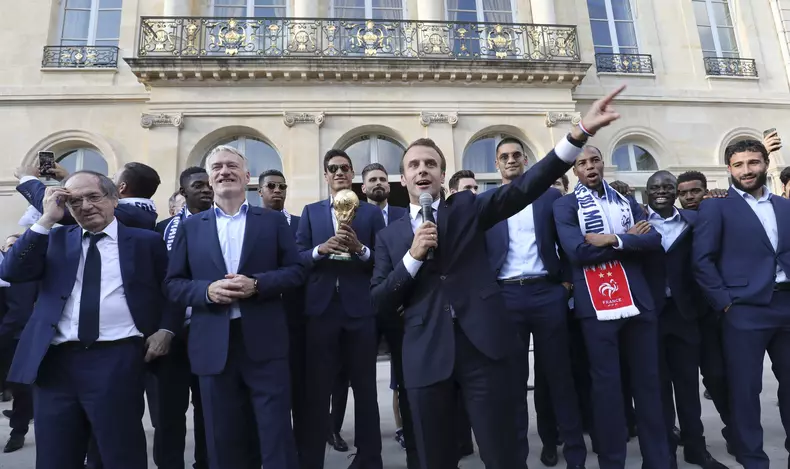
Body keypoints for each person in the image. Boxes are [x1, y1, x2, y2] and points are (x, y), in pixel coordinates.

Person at [371, 85, 626, 469]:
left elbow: (527, 185)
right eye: (413, 165)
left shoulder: (466, 209)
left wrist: (578, 134)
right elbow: (378, 301)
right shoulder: (388, 237)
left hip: (483, 351)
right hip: (425, 355)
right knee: (432, 458)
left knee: (502, 454)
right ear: (402, 179)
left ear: (442, 175)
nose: (422, 170)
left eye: (430, 164)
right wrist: (412, 257)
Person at [0, 171, 179, 469]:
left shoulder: (146, 242)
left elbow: (172, 290)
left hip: (118, 358)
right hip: (55, 363)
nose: (85, 206)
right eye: (75, 201)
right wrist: (46, 219)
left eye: (94, 197)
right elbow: (11, 271)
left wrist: (166, 329)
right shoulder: (53, 238)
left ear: (113, 199)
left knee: (119, 454)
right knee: (56, 456)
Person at [165, 146, 304, 469]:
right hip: (212, 344)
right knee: (222, 437)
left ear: (247, 177)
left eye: (232, 166)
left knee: (275, 435)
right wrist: (207, 291)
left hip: (264, 343)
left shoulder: (272, 222)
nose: (224, 171)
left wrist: (257, 285)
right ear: (210, 178)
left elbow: (296, 272)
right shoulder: (190, 226)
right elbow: (173, 284)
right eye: (217, 167)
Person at [553, 145, 669, 469]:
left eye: (594, 160)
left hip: (639, 303)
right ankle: (612, 462)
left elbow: (653, 240)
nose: (589, 166)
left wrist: (610, 239)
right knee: (607, 391)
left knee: (649, 387)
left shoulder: (626, 201)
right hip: (596, 307)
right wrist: (628, 240)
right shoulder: (565, 205)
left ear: (603, 164)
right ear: (574, 170)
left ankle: (658, 461)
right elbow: (578, 252)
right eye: (582, 163)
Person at [482, 137, 586, 468]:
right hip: (506, 297)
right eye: (504, 157)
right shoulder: (487, 202)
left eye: (516, 155)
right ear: (496, 165)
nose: (511, 160)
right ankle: (517, 460)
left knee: (557, 377)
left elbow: (570, 242)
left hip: (546, 294)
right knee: (512, 384)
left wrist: (566, 285)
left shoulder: (551, 198)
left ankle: (571, 453)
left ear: (525, 160)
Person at [693, 139, 790, 468]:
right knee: (745, 393)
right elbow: (702, 261)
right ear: (729, 170)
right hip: (742, 311)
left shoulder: (785, 206)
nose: (746, 170)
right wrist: (725, 304)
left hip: (786, 305)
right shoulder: (715, 206)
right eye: (738, 165)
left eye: (753, 163)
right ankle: (753, 460)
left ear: (765, 163)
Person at [296, 149, 385, 469]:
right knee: (317, 391)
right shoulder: (311, 212)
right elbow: (297, 258)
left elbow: (382, 263)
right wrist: (321, 249)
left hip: (360, 311)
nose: (339, 173)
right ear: (325, 175)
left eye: (345, 168)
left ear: (352, 174)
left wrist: (359, 249)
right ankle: (311, 460)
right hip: (320, 311)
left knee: (365, 390)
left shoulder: (372, 215)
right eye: (332, 168)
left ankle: (369, 459)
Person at [643, 171, 727, 469]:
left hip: (685, 315)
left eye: (668, 186)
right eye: (656, 187)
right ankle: (665, 452)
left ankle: (695, 447)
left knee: (688, 387)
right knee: (659, 388)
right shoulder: (636, 223)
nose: (662, 191)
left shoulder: (692, 221)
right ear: (648, 192)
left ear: (676, 192)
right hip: (650, 318)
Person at [151, 167, 214, 469]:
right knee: (168, 415)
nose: (206, 190)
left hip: (210, 331)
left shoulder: (224, 226)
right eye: (198, 185)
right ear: (183, 192)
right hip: (169, 335)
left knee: (211, 413)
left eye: (209, 185)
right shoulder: (162, 229)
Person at [360, 162, 415, 458]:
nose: (378, 183)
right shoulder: (354, 214)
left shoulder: (401, 215)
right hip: (367, 305)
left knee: (405, 375)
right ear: (363, 187)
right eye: (372, 179)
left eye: (383, 178)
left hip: (400, 306)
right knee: (364, 378)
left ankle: (407, 429)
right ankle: (368, 447)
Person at [257, 169, 307, 451]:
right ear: (260, 191)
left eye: (282, 186)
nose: (277, 191)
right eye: (271, 186)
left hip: (296, 318)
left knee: (299, 388)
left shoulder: (300, 223)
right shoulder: (251, 224)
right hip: (262, 316)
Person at [15, 161, 161, 230]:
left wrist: (27, 178)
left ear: (122, 188)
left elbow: (54, 208)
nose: (86, 206)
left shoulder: (127, 214)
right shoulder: (141, 212)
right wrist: (70, 179)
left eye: (114, 178)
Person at [0, 233, 36, 454]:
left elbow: (18, 312)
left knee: (21, 389)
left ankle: (18, 432)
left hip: (11, 339)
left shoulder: (18, 271)